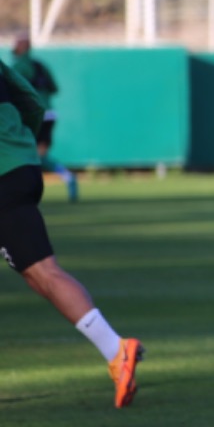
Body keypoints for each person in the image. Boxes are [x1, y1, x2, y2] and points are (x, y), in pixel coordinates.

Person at [0, 51, 142, 406]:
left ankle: (117, 349)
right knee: (38, 274)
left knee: (44, 272)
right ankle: (115, 350)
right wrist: (19, 147)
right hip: (23, 168)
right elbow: (31, 102)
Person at [12, 34, 78, 202]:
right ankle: (68, 177)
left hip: (34, 115)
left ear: (22, 46)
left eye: (17, 43)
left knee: (24, 153)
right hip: (50, 114)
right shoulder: (40, 65)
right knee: (38, 155)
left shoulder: (19, 66)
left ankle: (22, 190)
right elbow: (54, 88)